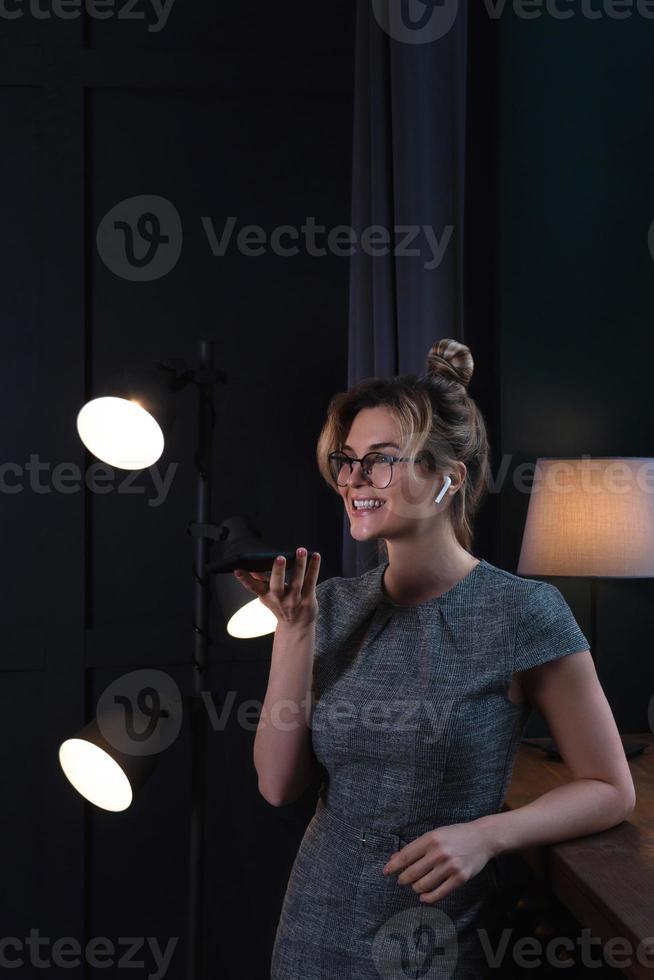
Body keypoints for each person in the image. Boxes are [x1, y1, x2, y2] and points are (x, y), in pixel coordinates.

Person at [236, 338, 636, 979]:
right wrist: (293, 633)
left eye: (381, 462)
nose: (353, 480)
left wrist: (487, 835)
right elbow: (278, 785)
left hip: (435, 941)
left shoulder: (524, 613)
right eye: (346, 461)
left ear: (447, 475)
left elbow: (609, 790)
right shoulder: (328, 606)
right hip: (314, 929)